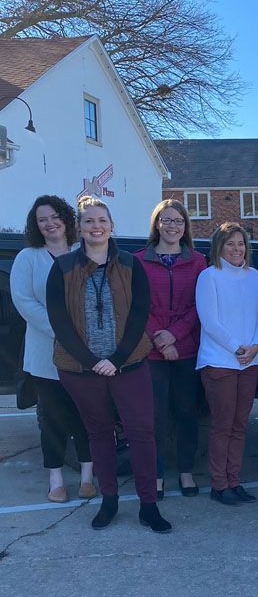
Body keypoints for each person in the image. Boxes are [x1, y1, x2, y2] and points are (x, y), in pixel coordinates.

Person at [46, 196, 170, 532]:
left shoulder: (132, 264)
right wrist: (92, 361)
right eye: (88, 221)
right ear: (80, 228)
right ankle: (110, 500)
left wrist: (115, 359)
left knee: (142, 433)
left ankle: (148, 505)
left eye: (102, 220)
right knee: (99, 434)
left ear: (111, 225)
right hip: (80, 369)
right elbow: (59, 321)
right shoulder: (62, 268)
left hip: (128, 364)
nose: (96, 226)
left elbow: (140, 313)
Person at [11, 195, 95, 503]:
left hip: (85, 354)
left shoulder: (83, 252)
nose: (49, 223)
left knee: (87, 415)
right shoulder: (28, 258)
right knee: (53, 419)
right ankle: (56, 479)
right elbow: (24, 302)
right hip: (45, 355)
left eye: (54, 216)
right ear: (36, 225)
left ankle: (88, 476)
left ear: (66, 218)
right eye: (42, 219)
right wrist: (63, 330)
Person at [135, 200, 207, 500]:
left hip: (186, 350)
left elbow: (198, 306)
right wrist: (159, 339)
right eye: (166, 220)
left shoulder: (199, 261)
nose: (172, 226)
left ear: (185, 226)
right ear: (156, 224)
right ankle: (157, 474)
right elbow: (137, 305)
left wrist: (174, 336)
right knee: (156, 416)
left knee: (187, 413)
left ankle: (186, 471)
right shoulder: (138, 261)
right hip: (151, 353)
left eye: (178, 221)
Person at [195, 223, 258, 506]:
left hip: (250, 362)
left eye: (241, 244)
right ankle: (219, 484)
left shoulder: (253, 277)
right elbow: (210, 321)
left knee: (240, 425)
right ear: (219, 248)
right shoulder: (209, 277)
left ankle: (234, 481)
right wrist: (237, 347)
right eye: (230, 244)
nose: (237, 249)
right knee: (222, 425)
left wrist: (255, 346)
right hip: (220, 362)